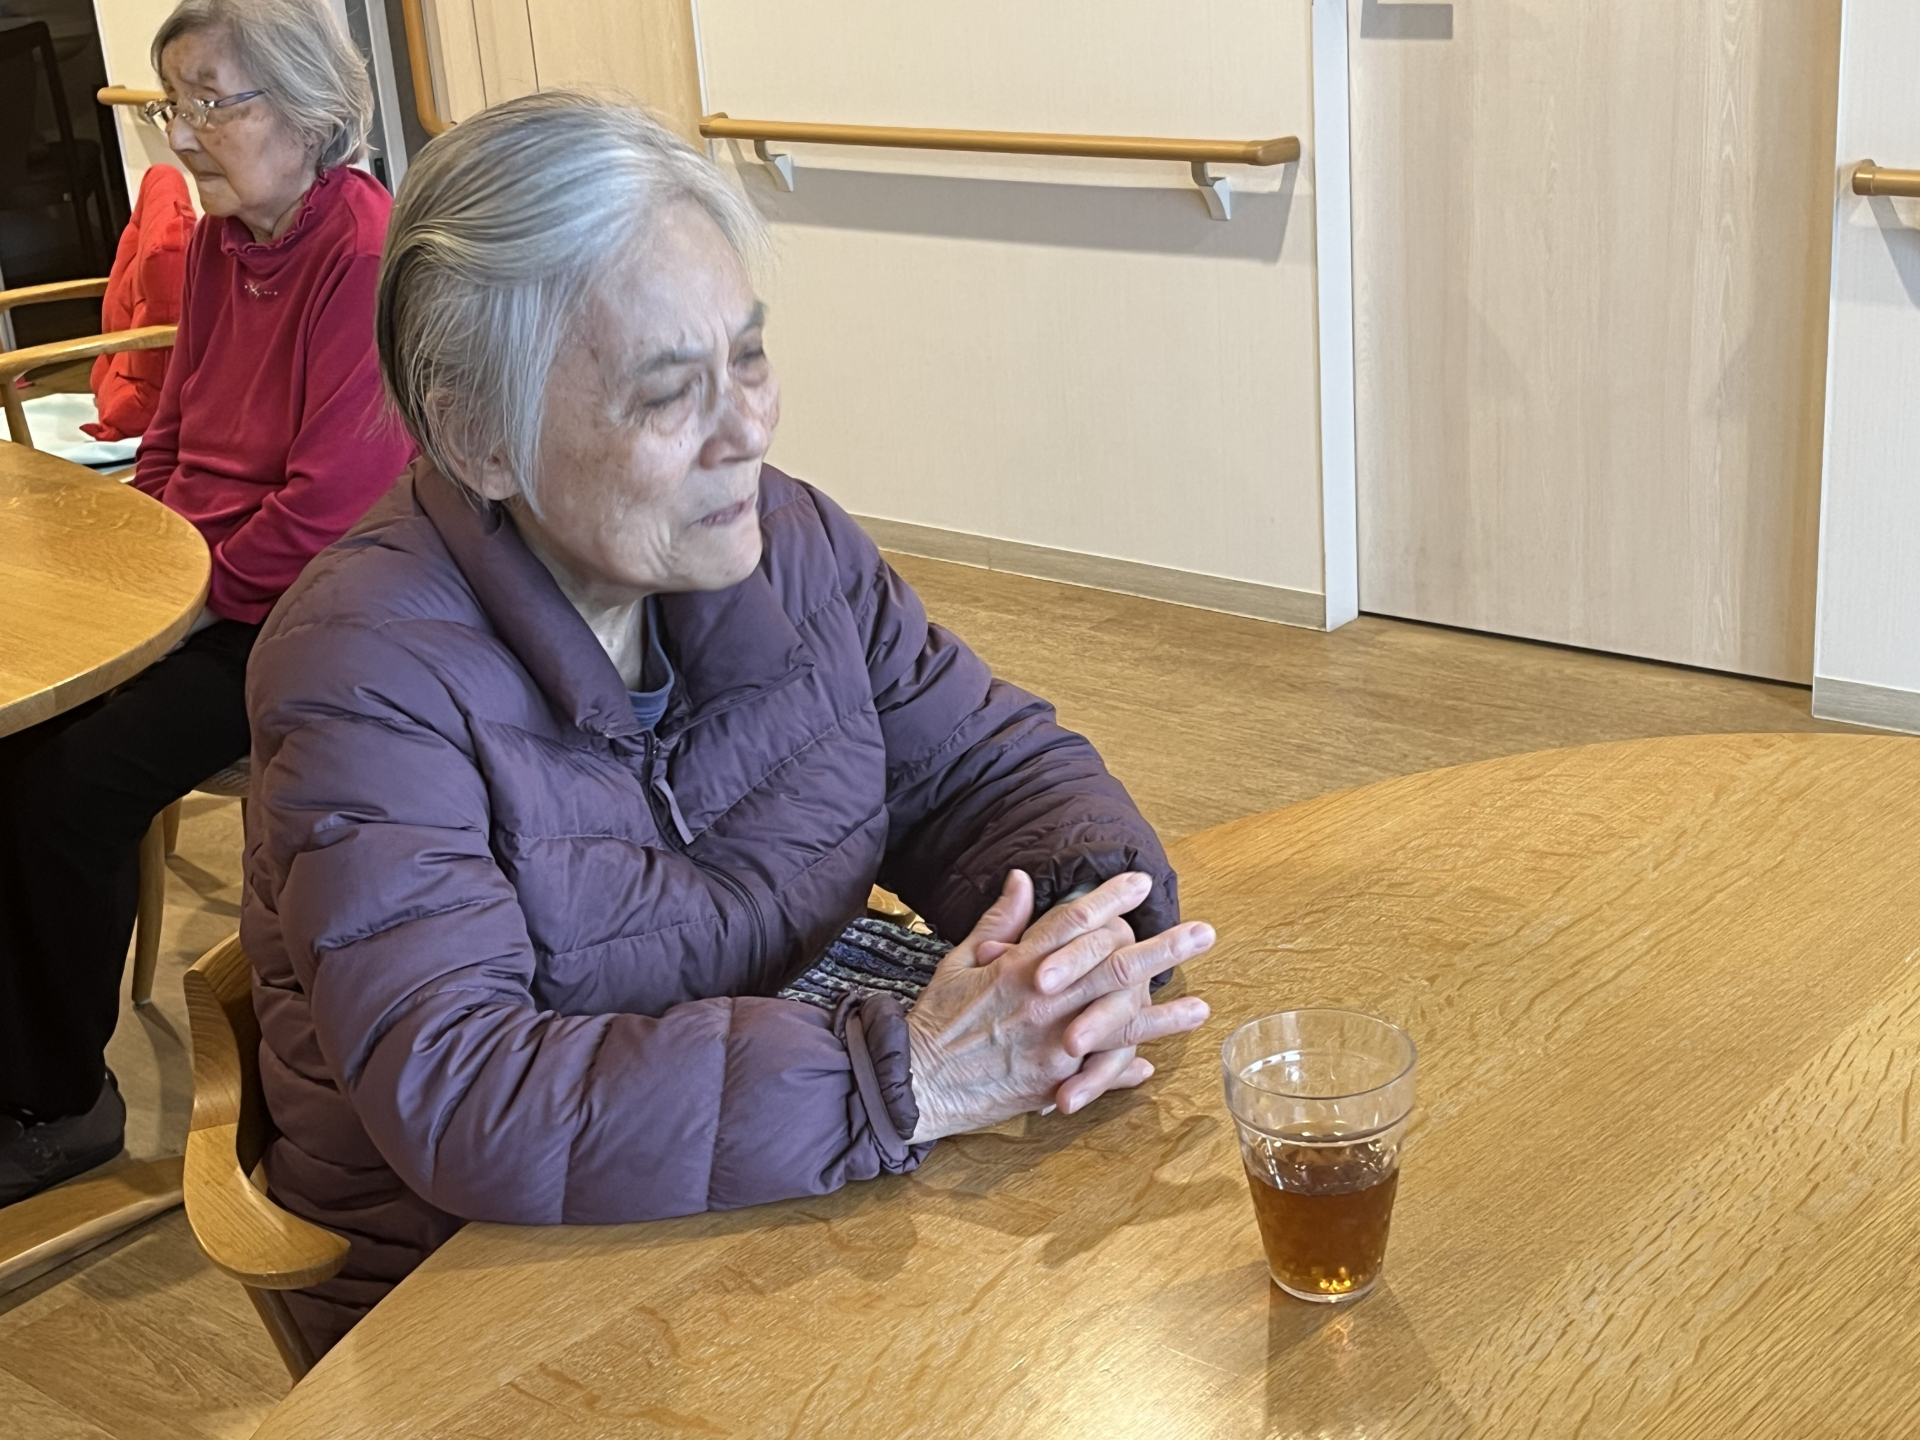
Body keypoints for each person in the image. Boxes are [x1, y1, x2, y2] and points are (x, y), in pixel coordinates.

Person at [243, 91, 1217, 1353]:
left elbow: (979, 767)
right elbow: (466, 1093)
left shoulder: (787, 541)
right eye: (670, 393)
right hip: (478, 1287)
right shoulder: (363, 666)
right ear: (478, 436)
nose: (749, 426)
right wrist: (906, 1078)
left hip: (777, 1183)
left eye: (748, 357)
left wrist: (1083, 942)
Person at [0, 0, 412, 1204]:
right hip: (194, 589)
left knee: (69, 788)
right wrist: (133, 573)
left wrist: (175, 609)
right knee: (15, 746)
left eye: (210, 102)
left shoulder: (363, 252)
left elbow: (328, 507)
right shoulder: (232, 237)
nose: (181, 133)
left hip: (303, 610)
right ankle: (20, 1048)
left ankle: (61, 1104)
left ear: (309, 110)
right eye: (174, 102)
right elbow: (175, 432)